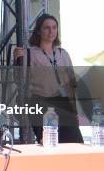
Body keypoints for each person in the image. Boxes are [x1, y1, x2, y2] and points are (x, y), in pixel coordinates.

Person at [14, 13, 83, 143]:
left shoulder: (63, 54)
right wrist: (16, 59)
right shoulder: (29, 54)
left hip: (64, 105)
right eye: (46, 28)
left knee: (74, 144)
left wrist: (75, 111)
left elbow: (71, 85)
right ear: (39, 31)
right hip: (41, 105)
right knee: (49, 144)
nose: (51, 31)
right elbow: (18, 79)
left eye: (54, 27)